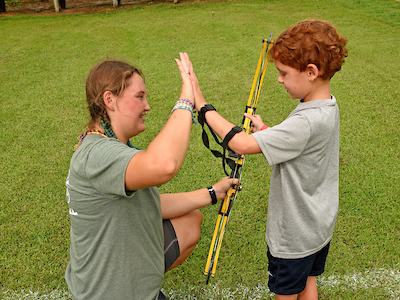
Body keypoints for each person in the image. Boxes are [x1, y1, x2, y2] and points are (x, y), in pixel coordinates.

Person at [186, 20, 348, 299]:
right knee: (308, 282)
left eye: (284, 73)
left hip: (294, 235)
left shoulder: (306, 121)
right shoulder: (327, 106)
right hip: (318, 227)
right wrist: (267, 132)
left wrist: (201, 104)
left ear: (311, 72)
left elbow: (241, 143)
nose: (279, 79)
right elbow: (301, 143)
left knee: (285, 293)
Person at [64, 53, 238, 300]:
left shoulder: (109, 146)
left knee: (190, 221)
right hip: (108, 294)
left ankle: (142, 278)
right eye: (139, 96)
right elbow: (164, 165)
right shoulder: (97, 154)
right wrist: (186, 100)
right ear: (109, 100)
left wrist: (211, 193)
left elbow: (149, 204)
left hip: (121, 282)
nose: (147, 106)